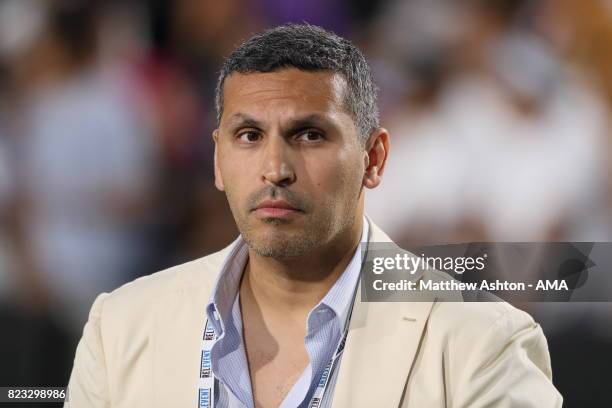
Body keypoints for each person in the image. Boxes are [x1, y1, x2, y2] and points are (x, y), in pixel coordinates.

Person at [65, 24, 562, 407]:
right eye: (249, 136)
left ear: (374, 158)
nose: (275, 169)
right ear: (218, 160)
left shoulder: (483, 342)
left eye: (309, 135)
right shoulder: (121, 328)